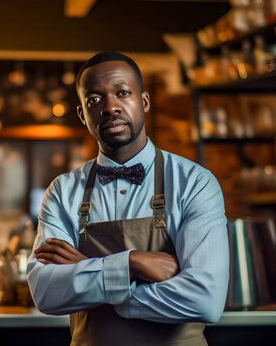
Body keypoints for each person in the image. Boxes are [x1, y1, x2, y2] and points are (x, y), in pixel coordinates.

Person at [27, 51, 228, 346]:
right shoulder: (62, 191)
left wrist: (93, 272)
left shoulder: (194, 182)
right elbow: (46, 292)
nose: (110, 107)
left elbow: (205, 300)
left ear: (143, 102)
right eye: (94, 99)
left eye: (122, 92)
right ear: (83, 115)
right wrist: (133, 262)